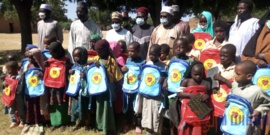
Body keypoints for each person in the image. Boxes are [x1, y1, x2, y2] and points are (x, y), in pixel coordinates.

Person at [225, 60, 270, 135]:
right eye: (234, 72)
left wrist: (258, 110)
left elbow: (268, 102)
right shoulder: (235, 85)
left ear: (249, 76)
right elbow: (231, 97)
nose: (234, 75)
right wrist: (227, 102)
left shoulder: (257, 91)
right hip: (231, 123)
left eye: (238, 74)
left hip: (248, 126)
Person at [93, 39, 123, 135]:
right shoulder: (96, 59)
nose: (98, 53)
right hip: (99, 88)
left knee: (108, 107)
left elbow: (117, 77)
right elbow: (89, 67)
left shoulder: (111, 61)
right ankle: (100, 125)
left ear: (106, 50)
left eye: (100, 51)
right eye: (97, 51)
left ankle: (109, 127)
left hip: (109, 89)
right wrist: (93, 64)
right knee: (99, 106)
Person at [177, 61, 211, 135]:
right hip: (188, 109)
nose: (198, 77)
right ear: (191, 72)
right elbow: (179, 93)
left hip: (200, 109)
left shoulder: (206, 83)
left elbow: (208, 95)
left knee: (198, 128)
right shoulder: (186, 81)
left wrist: (206, 96)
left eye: (200, 75)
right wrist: (189, 95)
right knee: (186, 128)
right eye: (195, 74)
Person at [141, 44, 167, 135]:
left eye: (154, 54)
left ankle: (156, 132)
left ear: (159, 55)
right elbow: (144, 75)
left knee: (156, 113)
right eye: (150, 54)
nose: (151, 56)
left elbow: (166, 77)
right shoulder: (147, 64)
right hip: (147, 94)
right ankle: (148, 131)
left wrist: (163, 79)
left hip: (157, 95)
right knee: (147, 112)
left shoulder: (163, 66)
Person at [121, 41, 145, 134]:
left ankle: (138, 125)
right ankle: (128, 123)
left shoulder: (142, 62)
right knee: (128, 107)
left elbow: (145, 74)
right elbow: (126, 71)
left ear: (138, 51)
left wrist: (141, 76)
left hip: (137, 89)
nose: (130, 53)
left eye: (132, 51)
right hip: (128, 87)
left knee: (137, 107)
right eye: (129, 51)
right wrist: (123, 70)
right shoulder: (128, 60)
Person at [47, 42, 71, 131]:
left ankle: (63, 122)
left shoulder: (66, 60)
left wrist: (67, 67)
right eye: (50, 53)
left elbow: (70, 69)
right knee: (53, 103)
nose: (52, 54)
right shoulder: (50, 61)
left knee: (62, 103)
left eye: (53, 52)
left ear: (58, 51)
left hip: (62, 87)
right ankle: (54, 122)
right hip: (52, 86)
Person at [69, 46, 89, 131]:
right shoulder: (74, 66)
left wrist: (85, 76)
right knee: (76, 107)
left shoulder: (87, 66)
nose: (76, 58)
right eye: (74, 56)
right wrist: (70, 73)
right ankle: (77, 122)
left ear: (84, 56)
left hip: (84, 92)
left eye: (78, 56)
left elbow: (92, 77)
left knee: (85, 107)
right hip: (76, 92)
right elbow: (71, 79)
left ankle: (87, 123)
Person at [2, 61, 25, 128]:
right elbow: (5, 85)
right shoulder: (7, 77)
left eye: (9, 69)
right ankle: (14, 121)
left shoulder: (19, 77)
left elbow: (20, 87)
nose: (8, 71)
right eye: (7, 69)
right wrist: (4, 84)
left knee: (20, 108)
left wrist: (15, 87)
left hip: (17, 95)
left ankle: (22, 121)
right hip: (9, 95)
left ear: (15, 69)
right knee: (10, 108)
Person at [24, 48, 44, 127]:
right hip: (29, 88)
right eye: (28, 57)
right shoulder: (27, 65)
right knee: (29, 104)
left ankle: (37, 120)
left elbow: (44, 75)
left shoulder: (40, 66)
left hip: (37, 89)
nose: (30, 59)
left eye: (32, 57)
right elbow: (23, 74)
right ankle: (30, 120)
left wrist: (40, 74)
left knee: (37, 105)